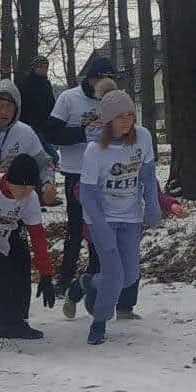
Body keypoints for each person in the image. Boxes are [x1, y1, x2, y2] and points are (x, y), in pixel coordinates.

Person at [77, 93, 163, 346]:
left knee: (130, 276)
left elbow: (148, 175)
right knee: (114, 275)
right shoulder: (95, 150)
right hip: (102, 217)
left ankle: (88, 282)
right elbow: (87, 193)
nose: (126, 121)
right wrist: (100, 226)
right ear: (108, 119)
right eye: (119, 117)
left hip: (130, 216)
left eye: (130, 115)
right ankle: (99, 322)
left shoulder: (143, 137)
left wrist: (153, 205)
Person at [44, 55, 120, 317]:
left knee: (100, 227)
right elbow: (51, 132)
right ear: (88, 79)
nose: (102, 84)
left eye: (108, 79)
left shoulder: (112, 100)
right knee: (76, 228)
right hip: (76, 172)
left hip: (104, 174)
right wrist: (82, 132)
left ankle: (93, 275)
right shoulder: (69, 99)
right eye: (98, 79)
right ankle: (65, 278)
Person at [0, 154, 58, 345]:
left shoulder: (30, 199)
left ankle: (12, 321)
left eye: (31, 188)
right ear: (8, 179)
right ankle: (2, 329)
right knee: (6, 280)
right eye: (22, 187)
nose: (26, 192)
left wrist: (46, 274)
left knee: (16, 275)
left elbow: (37, 236)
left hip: (0, 241)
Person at [16, 56, 56, 128]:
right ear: (34, 68)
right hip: (30, 124)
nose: (44, 69)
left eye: (46, 67)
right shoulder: (25, 84)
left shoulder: (47, 84)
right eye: (41, 67)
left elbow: (51, 103)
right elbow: (22, 107)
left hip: (47, 124)